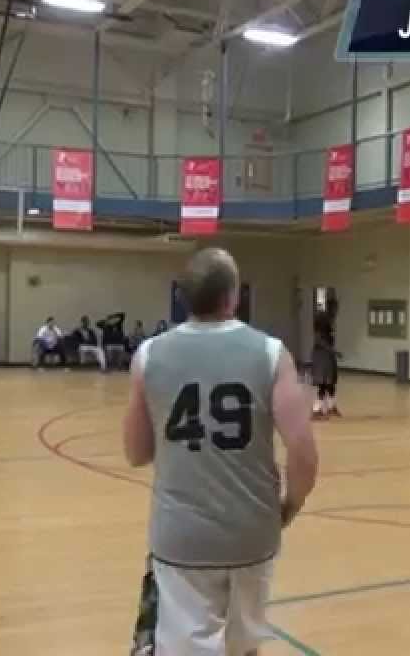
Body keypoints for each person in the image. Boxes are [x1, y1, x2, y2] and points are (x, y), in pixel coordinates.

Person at [123, 248, 318, 655]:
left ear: (185, 298)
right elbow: (302, 451)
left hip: (182, 538)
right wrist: (290, 506)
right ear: (233, 296)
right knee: (244, 648)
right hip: (254, 532)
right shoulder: (270, 353)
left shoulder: (150, 355)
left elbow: (136, 452)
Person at [310, 299, 342, 420]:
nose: (336, 311)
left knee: (331, 383)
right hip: (321, 356)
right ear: (330, 307)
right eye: (335, 308)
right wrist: (334, 351)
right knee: (323, 384)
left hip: (328, 355)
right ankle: (316, 410)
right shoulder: (322, 319)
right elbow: (318, 340)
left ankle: (331, 407)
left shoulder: (330, 319)